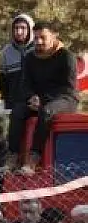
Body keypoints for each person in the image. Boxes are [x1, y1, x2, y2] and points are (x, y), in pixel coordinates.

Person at [16, 20, 81, 169]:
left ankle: (33, 158)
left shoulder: (67, 57)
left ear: (53, 36)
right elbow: (25, 84)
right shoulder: (30, 58)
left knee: (47, 111)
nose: (38, 41)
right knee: (18, 112)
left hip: (66, 100)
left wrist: (43, 99)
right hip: (40, 99)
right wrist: (31, 97)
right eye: (36, 37)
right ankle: (13, 157)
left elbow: (69, 88)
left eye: (42, 37)